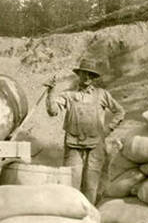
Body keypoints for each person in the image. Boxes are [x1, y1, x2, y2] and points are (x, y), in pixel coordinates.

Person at [45, 58, 125, 204]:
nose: (87, 77)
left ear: (94, 77)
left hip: (96, 147)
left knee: (91, 187)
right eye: (84, 74)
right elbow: (53, 111)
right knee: (71, 185)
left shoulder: (102, 94)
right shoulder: (68, 95)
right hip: (73, 144)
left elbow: (120, 111)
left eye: (90, 75)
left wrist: (108, 129)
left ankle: (89, 217)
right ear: (79, 74)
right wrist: (51, 93)